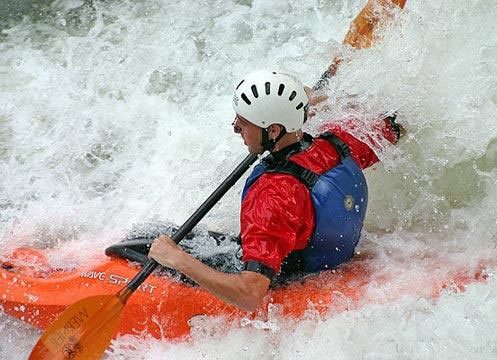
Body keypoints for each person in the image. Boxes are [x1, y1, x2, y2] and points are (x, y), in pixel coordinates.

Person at [149, 70, 402, 311]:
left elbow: (250, 295)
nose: (235, 127)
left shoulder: (271, 196)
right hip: (333, 259)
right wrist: (311, 105)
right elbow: (395, 123)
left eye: (243, 122)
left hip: (289, 275)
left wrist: (176, 258)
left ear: (273, 130)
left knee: (148, 239)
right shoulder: (339, 142)